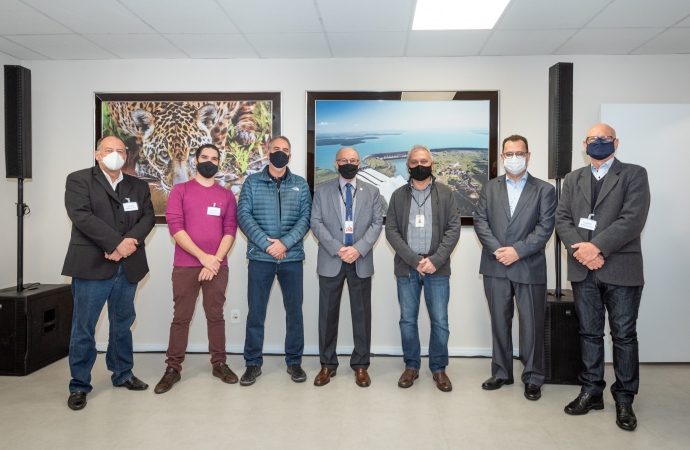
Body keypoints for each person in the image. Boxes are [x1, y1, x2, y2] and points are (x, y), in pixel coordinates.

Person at [556, 123, 650, 431]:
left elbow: (632, 220)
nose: (599, 142)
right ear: (584, 145)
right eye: (593, 139)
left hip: (621, 267)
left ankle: (624, 399)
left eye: (605, 138)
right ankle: (592, 391)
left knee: (623, 335)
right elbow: (563, 219)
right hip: (583, 268)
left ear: (616, 142)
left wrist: (596, 247)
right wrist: (583, 252)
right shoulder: (572, 178)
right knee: (589, 333)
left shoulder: (634, 174)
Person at [62, 135, 155, 410]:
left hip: (128, 266)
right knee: (84, 328)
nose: (114, 154)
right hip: (92, 266)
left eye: (120, 151)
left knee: (123, 324)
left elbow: (147, 218)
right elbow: (81, 215)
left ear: (126, 156)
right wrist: (116, 243)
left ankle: (122, 373)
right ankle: (79, 384)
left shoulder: (137, 185)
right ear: (97, 154)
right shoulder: (79, 180)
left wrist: (127, 246)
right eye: (108, 150)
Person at [473, 135, 556, 401]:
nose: (514, 158)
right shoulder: (489, 188)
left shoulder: (544, 190)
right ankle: (501, 372)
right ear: (502, 157)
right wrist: (499, 250)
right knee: (499, 321)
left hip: (529, 265)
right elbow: (480, 221)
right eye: (509, 153)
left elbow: (545, 228)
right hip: (495, 264)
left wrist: (517, 251)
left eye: (519, 153)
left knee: (532, 324)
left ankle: (533, 377)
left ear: (528, 156)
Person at [153, 144, 239, 394]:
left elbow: (230, 230)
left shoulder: (226, 195)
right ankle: (172, 368)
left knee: (216, 316)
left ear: (219, 163)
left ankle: (219, 363)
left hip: (217, 266)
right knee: (181, 317)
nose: (209, 162)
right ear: (195, 160)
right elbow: (176, 227)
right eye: (205, 157)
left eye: (214, 158)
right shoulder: (180, 191)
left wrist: (214, 261)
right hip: (186, 265)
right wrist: (204, 258)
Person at [236, 135, 312, 386]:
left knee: (295, 313)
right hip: (260, 258)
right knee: (256, 312)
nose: (280, 153)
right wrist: (268, 245)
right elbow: (244, 216)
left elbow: (305, 219)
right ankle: (252, 363)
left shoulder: (300, 184)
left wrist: (285, 244)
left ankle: (294, 361)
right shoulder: (252, 182)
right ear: (267, 153)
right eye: (276, 149)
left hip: (291, 258)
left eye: (285, 150)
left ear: (290, 155)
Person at [385, 145, 461, 392]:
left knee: (440, 321)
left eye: (424, 161)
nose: (420, 166)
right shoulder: (398, 195)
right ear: (407, 166)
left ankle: (439, 369)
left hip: (437, 268)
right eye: (415, 162)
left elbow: (453, 229)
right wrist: (414, 260)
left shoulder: (446, 193)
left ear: (432, 164)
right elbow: (392, 231)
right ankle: (411, 366)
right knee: (408, 320)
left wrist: (435, 260)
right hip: (407, 268)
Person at [310, 147, 383, 387]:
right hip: (332, 259)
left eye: (353, 160)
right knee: (327, 316)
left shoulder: (372, 191)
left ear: (359, 163)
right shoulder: (322, 190)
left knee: (362, 316)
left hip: (360, 260)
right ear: (335, 163)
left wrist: (358, 249)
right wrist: (338, 248)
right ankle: (327, 365)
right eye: (344, 160)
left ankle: (361, 365)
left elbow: (376, 224)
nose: (348, 163)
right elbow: (316, 222)